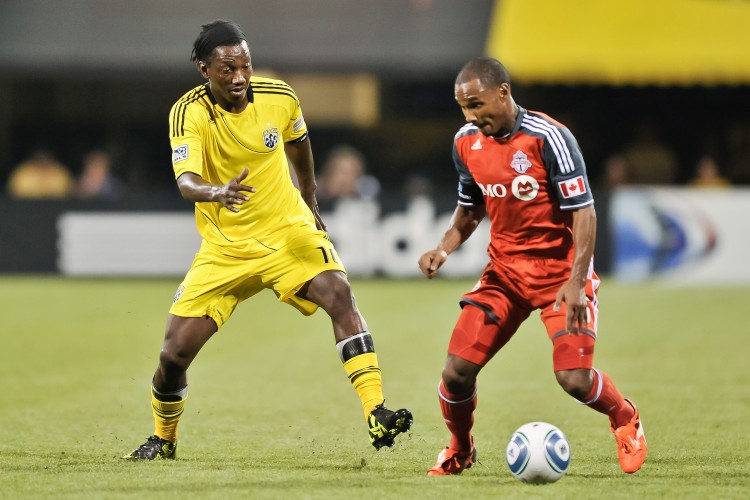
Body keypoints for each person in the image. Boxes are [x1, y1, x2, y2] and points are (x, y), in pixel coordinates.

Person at [124, 20, 412, 460]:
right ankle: (164, 438)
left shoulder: (279, 96)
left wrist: (310, 197)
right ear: (205, 70)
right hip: (226, 249)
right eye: (227, 69)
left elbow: (299, 143)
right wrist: (216, 191)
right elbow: (186, 180)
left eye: (245, 66)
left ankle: (377, 411)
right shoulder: (189, 113)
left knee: (339, 293)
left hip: (286, 230)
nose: (239, 77)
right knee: (172, 357)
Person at [418, 58, 647, 476]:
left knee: (574, 380)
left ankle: (625, 417)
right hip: (504, 274)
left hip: (560, 275)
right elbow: (469, 210)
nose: (470, 116)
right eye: (463, 108)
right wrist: (443, 248)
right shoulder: (466, 142)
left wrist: (577, 283)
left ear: (503, 93)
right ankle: (460, 448)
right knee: (456, 373)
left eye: (476, 104)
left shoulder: (549, 138)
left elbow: (585, 214)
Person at [7, 149, 74, 199]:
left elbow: (66, 192)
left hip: (55, 207)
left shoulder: (60, 172)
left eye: (45, 158)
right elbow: (15, 192)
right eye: (39, 159)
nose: (42, 161)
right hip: (25, 207)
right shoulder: (22, 172)